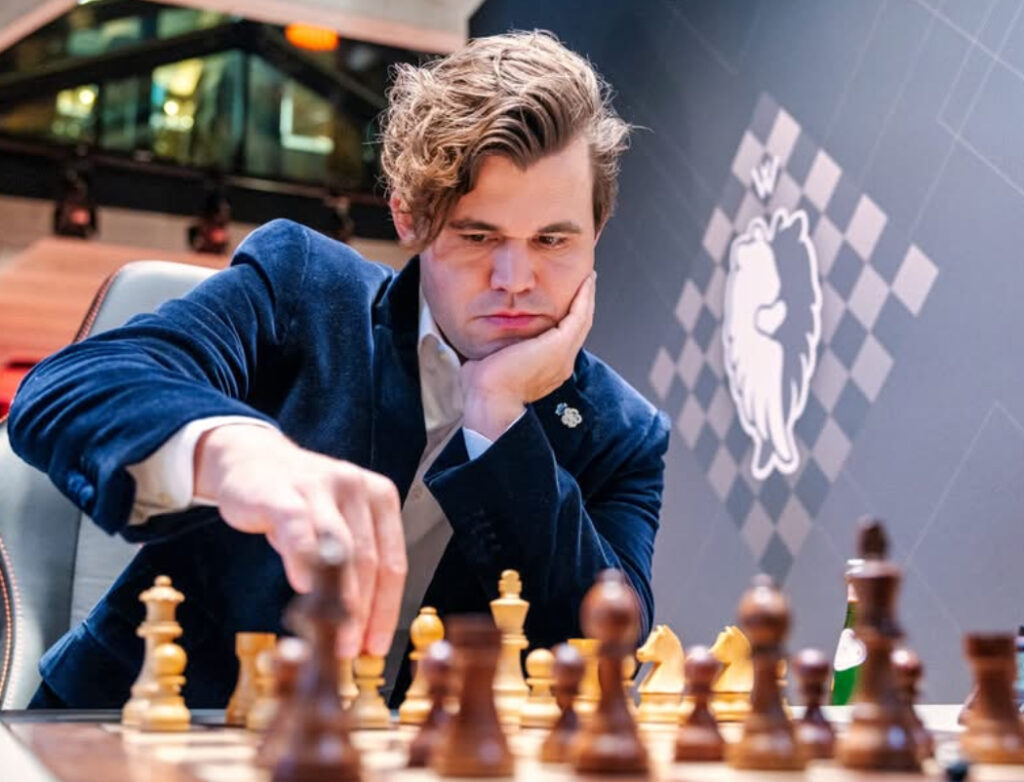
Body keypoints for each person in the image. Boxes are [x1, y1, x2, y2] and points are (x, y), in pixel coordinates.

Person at [8, 30, 670, 709]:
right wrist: (239, 454)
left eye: (553, 241)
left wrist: (498, 421)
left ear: (599, 229)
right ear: (408, 218)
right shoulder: (302, 287)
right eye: (478, 236)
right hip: (155, 729)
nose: (515, 279)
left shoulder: (622, 433)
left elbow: (608, 647)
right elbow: (69, 388)